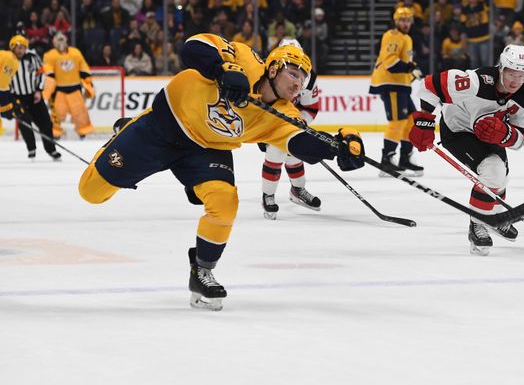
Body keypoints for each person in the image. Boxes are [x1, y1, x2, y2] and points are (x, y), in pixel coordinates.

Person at [77, 34, 365, 311]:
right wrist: (223, 69)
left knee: (225, 203)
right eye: (294, 73)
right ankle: (125, 132)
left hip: (207, 149)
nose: (298, 83)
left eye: (303, 79)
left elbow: (301, 143)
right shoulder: (246, 59)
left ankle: (202, 270)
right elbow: (193, 46)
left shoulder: (284, 113)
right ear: (274, 67)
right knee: (90, 192)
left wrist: (338, 147)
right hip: (163, 126)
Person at [408, 44, 524, 256]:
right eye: (511, 73)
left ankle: (494, 216)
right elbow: (430, 85)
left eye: (521, 74)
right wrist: (424, 122)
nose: (515, 80)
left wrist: (505, 134)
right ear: (501, 69)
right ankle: (478, 223)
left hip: (488, 131)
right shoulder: (475, 82)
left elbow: (521, 138)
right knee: (494, 171)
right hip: (458, 128)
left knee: (499, 175)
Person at [260, 39, 322, 220]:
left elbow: (311, 107)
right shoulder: (268, 70)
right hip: (270, 122)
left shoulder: (310, 78)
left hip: (292, 121)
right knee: (275, 155)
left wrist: (299, 122)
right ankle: (268, 195)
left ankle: (298, 190)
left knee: (295, 154)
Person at [369, 7, 425, 176]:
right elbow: (390, 63)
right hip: (390, 84)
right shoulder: (392, 36)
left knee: (411, 121)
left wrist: (412, 70)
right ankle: (386, 161)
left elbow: (401, 63)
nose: (405, 23)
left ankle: (405, 158)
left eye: (408, 20)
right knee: (397, 121)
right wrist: (410, 68)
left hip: (401, 85)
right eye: (402, 20)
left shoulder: (406, 38)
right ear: (395, 21)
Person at [7, 35, 61, 160]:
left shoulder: (32, 58)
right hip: (17, 97)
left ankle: (51, 150)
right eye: (17, 47)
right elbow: (4, 80)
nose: (20, 50)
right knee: (25, 124)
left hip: (34, 96)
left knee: (46, 123)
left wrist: (38, 90)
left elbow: (41, 74)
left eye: (22, 47)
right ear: (12, 48)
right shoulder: (8, 60)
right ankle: (31, 148)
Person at [42, 32, 95, 139]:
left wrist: (87, 80)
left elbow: (83, 67)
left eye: (62, 39)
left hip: (75, 88)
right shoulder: (49, 55)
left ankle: (82, 131)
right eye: (58, 40)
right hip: (59, 90)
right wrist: (48, 90)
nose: (61, 42)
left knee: (80, 112)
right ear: (54, 42)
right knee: (57, 113)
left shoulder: (75, 52)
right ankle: (55, 132)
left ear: (66, 41)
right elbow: (49, 72)